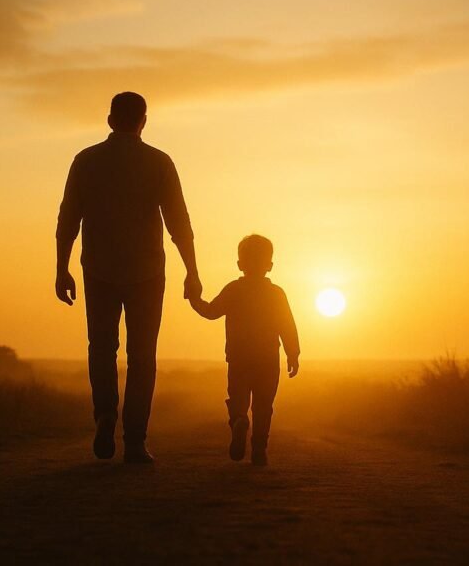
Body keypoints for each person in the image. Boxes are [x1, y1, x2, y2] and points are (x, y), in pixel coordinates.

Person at [55, 91, 201, 463]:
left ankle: (104, 414)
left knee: (101, 349)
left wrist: (62, 268)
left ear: (109, 121)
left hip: (99, 269)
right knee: (142, 357)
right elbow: (178, 222)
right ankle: (135, 440)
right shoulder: (159, 162)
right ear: (144, 121)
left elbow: (67, 219)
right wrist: (192, 271)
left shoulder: (85, 160)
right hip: (147, 272)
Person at [189, 234, 300, 466]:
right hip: (268, 358)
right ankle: (259, 448)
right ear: (270, 265)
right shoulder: (276, 293)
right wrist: (293, 353)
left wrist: (194, 299)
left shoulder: (233, 289)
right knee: (264, 405)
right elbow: (287, 325)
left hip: (238, 358)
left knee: (238, 397)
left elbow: (210, 311)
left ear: (240, 264)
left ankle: (239, 419)